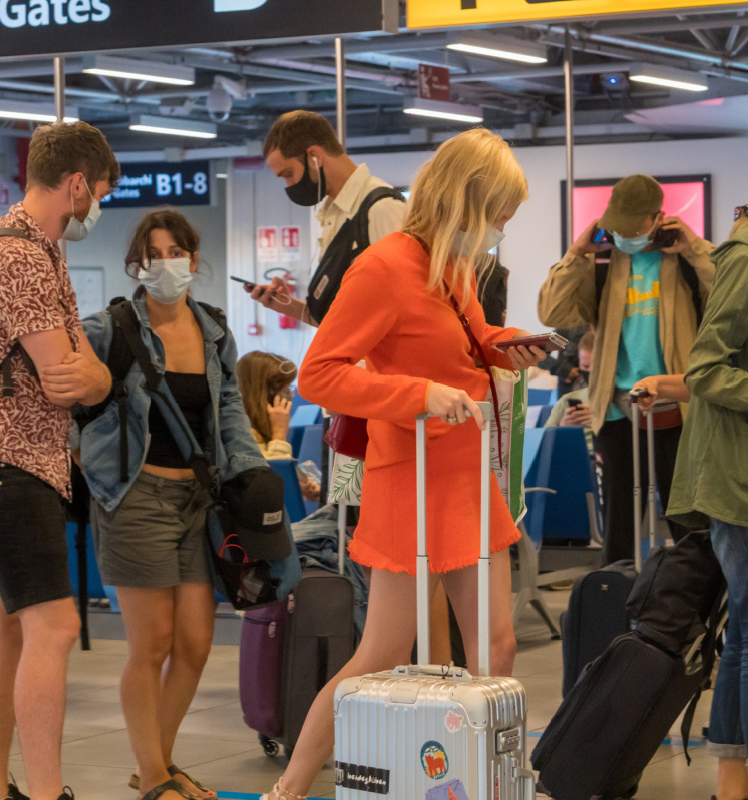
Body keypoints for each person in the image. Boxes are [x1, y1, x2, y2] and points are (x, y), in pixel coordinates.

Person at [258, 128, 545, 800]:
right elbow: (319, 376)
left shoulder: (451, 266)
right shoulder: (384, 266)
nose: (503, 227)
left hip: (469, 476)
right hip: (412, 479)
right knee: (382, 652)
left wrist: (510, 345)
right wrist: (416, 396)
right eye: (499, 212)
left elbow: (467, 342)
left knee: (497, 652)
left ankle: (481, 782)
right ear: (468, 200)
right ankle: (295, 783)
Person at [0, 122, 118, 800]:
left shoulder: (37, 249)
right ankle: (46, 794)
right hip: (5, 464)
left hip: (2, 465)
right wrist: (92, 373)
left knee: (6, 627)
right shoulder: (20, 256)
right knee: (56, 625)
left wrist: (93, 374)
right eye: (99, 193)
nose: (96, 207)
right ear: (76, 184)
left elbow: (92, 371)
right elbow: (67, 377)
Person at [74, 210, 270, 800]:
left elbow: (229, 407)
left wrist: (253, 469)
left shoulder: (213, 328)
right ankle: (157, 775)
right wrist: (85, 453)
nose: (167, 264)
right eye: (154, 254)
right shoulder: (111, 327)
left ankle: (154, 764)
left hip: (197, 501)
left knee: (194, 642)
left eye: (177, 252)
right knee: (152, 642)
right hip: (135, 498)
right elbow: (66, 387)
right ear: (137, 262)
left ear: (193, 257)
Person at [537, 173, 715, 564]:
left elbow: (732, 296)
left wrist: (696, 250)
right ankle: (617, 611)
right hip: (617, 410)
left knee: (690, 526)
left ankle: (690, 615)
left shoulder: (683, 260)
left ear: (658, 219)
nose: (626, 237)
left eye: (634, 229)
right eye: (618, 230)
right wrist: (575, 255)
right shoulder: (602, 262)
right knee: (618, 531)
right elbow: (551, 311)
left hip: (679, 410)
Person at [665, 207, 748, 800]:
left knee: (744, 633)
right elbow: (705, 367)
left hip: (735, 479)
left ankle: (733, 782)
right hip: (736, 484)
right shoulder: (743, 261)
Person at [246, 110, 407, 325]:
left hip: (374, 359)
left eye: (288, 174)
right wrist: (289, 306)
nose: (289, 185)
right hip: (347, 359)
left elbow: (406, 307)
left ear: (315, 156)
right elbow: (341, 322)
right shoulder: (336, 213)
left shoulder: (381, 209)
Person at [235, 350, 320, 500]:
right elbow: (265, 485)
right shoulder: (240, 431)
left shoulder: (262, 428)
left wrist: (300, 488)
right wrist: (279, 435)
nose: (289, 394)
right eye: (284, 387)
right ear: (265, 392)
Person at [544, 330, 594, 455]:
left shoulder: (622, 398)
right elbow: (544, 442)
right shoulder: (566, 327)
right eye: (586, 367)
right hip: (570, 388)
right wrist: (563, 427)